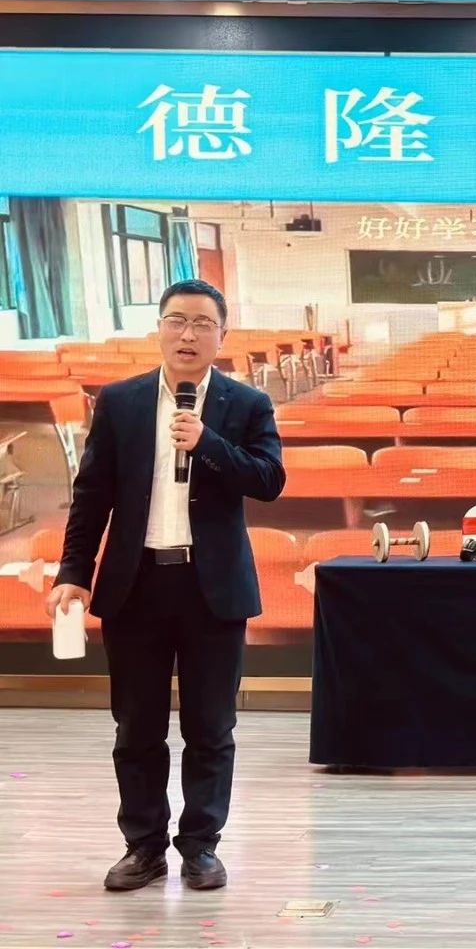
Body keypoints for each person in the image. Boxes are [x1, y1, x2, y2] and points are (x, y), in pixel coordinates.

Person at [46, 279, 286, 892]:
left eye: (203, 323)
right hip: (137, 586)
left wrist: (208, 443)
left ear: (221, 336)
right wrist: (74, 572)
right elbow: (92, 494)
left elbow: (268, 480)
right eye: (177, 320)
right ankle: (143, 846)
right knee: (136, 728)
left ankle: (201, 846)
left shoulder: (247, 404)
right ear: (159, 328)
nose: (188, 334)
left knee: (211, 729)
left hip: (212, 589)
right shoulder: (120, 401)